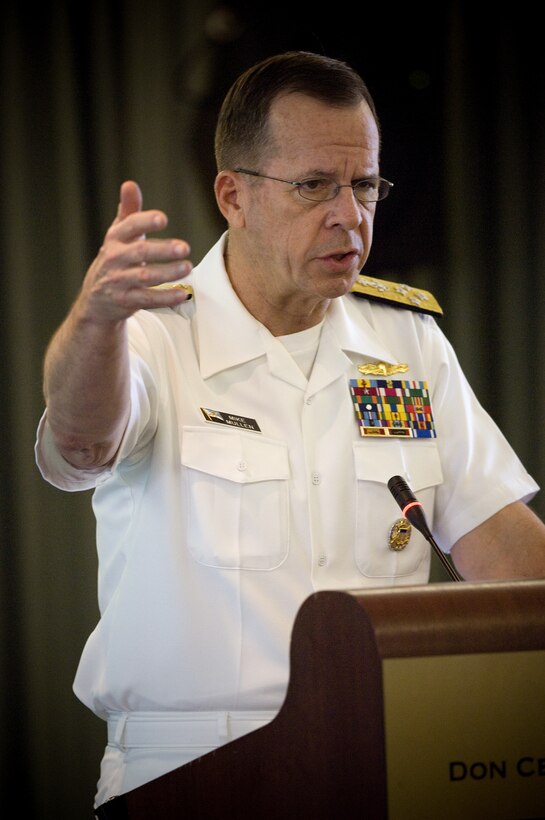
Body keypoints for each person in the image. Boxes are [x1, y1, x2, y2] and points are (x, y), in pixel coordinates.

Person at [35, 50, 545, 810]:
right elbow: (79, 446)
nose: (350, 214)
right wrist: (95, 320)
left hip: (386, 757)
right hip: (195, 762)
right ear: (232, 196)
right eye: (314, 186)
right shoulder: (148, 333)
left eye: (363, 184)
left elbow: (505, 555)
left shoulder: (405, 341)